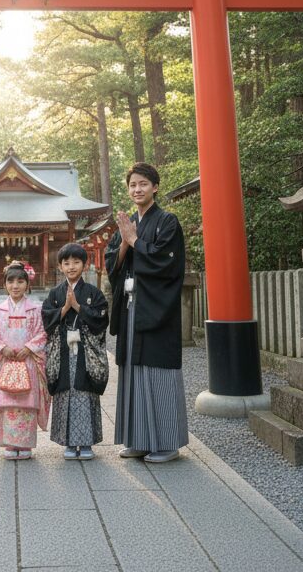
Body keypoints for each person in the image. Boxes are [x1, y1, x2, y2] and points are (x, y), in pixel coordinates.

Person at [107, 162, 188, 464]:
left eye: (143, 184)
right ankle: (139, 439)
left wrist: (134, 241)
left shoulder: (168, 221)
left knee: (158, 372)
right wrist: (127, 243)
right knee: (132, 373)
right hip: (131, 309)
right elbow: (112, 263)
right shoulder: (127, 222)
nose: (137, 189)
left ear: (155, 187)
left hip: (156, 309)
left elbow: (167, 263)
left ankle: (167, 443)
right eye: (132, 185)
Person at [42, 243, 109, 460]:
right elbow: (46, 319)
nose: (71, 267)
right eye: (66, 262)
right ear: (60, 266)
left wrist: (79, 307)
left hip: (84, 352)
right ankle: (69, 442)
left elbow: (102, 319)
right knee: (64, 393)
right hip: (62, 351)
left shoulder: (93, 293)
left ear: (84, 264)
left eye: (76, 262)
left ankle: (86, 442)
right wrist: (64, 309)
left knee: (85, 391)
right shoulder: (55, 294)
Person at [0, 262, 48, 460]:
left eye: (20, 281)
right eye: (10, 281)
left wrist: (29, 348)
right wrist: (3, 348)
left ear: (28, 284)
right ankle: (10, 444)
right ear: (4, 285)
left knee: (26, 402)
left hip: (27, 362)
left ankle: (25, 444)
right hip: (6, 362)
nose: (15, 285)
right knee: (7, 402)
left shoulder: (36, 310)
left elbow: (43, 334)